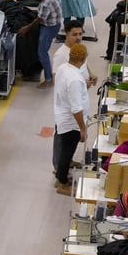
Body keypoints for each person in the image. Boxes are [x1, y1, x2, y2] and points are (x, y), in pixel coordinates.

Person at [53, 44, 89, 195]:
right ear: (84, 58)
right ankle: (62, 183)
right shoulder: (75, 79)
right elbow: (76, 108)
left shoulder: (63, 69)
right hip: (71, 122)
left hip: (62, 115)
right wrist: (82, 128)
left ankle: (60, 178)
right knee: (67, 153)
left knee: (65, 152)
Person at [17, 0, 62, 89]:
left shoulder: (46, 3)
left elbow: (39, 19)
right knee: (41, 50)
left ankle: (48, 79)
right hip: (55, 20)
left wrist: (26, 28)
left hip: (50, 27)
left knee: (42, 53)